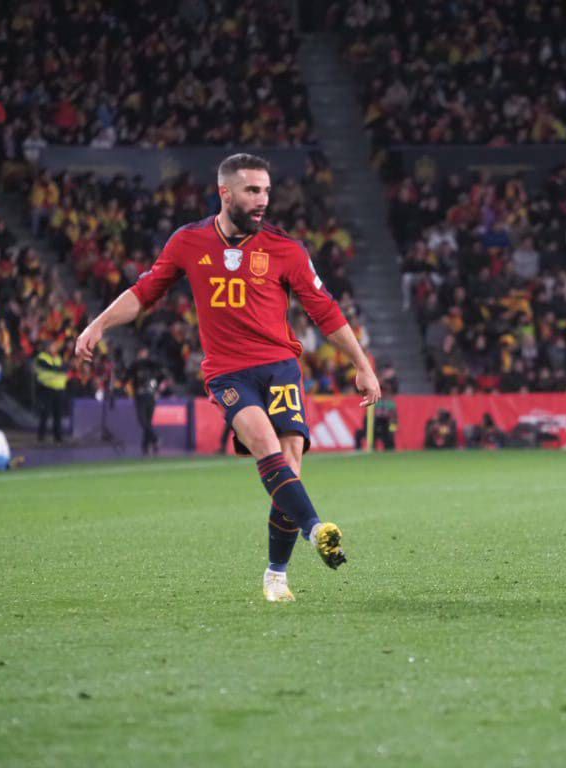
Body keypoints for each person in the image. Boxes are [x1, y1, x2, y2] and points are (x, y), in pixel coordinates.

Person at [75, 153, 380, 602]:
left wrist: (362, 363)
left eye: (267, 191)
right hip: (229, 372)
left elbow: (325, 311)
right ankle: (316, 531)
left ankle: (276, 575)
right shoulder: (189, 242)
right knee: (265, 444)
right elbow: (145, 292)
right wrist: (98, 324)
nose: (263, 200)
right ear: (225, 193)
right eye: (253, 191)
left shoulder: (286, 249)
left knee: (289, 470)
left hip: (280, 368)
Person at [126, 346, 168, 455]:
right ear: (139, 353)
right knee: (143, 420)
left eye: (145, 352)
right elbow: (128, 376)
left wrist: (158, 388)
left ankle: (147, 444)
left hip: (150, 395)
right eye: (142, 352)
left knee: (147, 421)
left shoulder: (151, 365)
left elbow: (162, 374)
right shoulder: (135, 365)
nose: (144, 355)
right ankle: (153, 440)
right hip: (140, 395)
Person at [35, 338, 68, 443]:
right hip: (46, 388)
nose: (55, 348)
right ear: (47, 347)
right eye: (53, 346)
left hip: (59, 389)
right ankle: (41, 437)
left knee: (57, 414)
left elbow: (64, 369)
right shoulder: (41, 358)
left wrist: (62, 369)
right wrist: (61, 369)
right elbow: (51, 368)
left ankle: (57, 437)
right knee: (45, 413)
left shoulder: (58, 358)